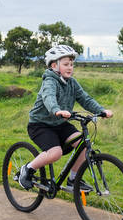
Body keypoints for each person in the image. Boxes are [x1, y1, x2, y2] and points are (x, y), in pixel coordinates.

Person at [18, 44, 112, 192]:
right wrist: (57, 110)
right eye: (66, 64)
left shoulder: (72, 83)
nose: (70, 67)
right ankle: (27, 170)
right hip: (40, 125)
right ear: (54, 65)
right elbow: (49, 98)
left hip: (60, 123)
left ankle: (73, 179)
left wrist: (101, 110)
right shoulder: (49, 81)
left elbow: (85, 99)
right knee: (55, 153)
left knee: (83, 145)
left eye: (72, 64)